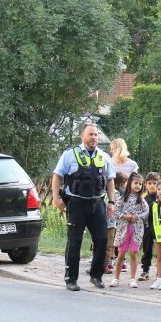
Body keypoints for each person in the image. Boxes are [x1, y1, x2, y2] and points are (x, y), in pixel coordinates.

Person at [52, 123, 116, 291]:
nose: (94, 137)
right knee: (75, 242)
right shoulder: (70, 154)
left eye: (96, 134)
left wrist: (111, 202)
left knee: (102, 240)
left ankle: (96, 275)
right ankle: (71, 278)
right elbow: (57, 175)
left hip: (97, 204)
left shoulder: (104, 156)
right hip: (76, 204)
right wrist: (56, 198)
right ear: (82, 136)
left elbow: (110, 180)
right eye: (90, 134)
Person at [110, 172, 149, 288]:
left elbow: (146, 211)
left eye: (140, 184)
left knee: (134, 253)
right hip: (123, 230)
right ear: (129, 184)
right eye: (135, 183)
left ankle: (132, 279)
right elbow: (115, 212)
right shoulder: (122, 198)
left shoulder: (141, 200)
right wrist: (125, 216)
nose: (138, 186)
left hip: (136, 230)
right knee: (121, 254)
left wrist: (137, 216)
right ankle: (115, 278)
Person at [138, 172, 160, 281]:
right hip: (146, 228)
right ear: (145, 184)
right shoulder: (142, 197)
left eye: (154, 183)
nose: (152, 185)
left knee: (159, 250)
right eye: (149, 183)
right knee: (146, 250)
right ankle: (145, 271)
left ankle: (160, 272)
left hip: (159, 228)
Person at [104, 172, 126, 275]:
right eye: (124, 182)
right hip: (110, 222)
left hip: (113, 222)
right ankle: (106, 264)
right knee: (109, 243)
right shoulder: (115, 193)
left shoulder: (117, 192)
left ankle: (109, 262)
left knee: (112, 242)